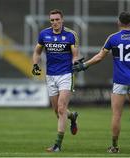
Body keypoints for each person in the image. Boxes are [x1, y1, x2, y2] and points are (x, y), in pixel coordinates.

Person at [73, 11, 130, 153]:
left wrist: (84, 65)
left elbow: (99, 57)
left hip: (119, 82)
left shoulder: (113, 38)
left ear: (118, 23)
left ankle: (115, 146)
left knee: (117, 115)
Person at [32, 9, 79, 152]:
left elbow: (75, 55)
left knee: (61, 108)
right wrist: (35, 64)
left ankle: (57, 145)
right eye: (52, 20)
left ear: (62, 20)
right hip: (50, 75)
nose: (54, 22)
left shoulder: (71, 35)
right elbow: (37, 51)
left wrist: (75, 63)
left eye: (57, 19)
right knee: (58, 112)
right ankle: (73, 117)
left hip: (66, 74)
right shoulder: (44, 34)